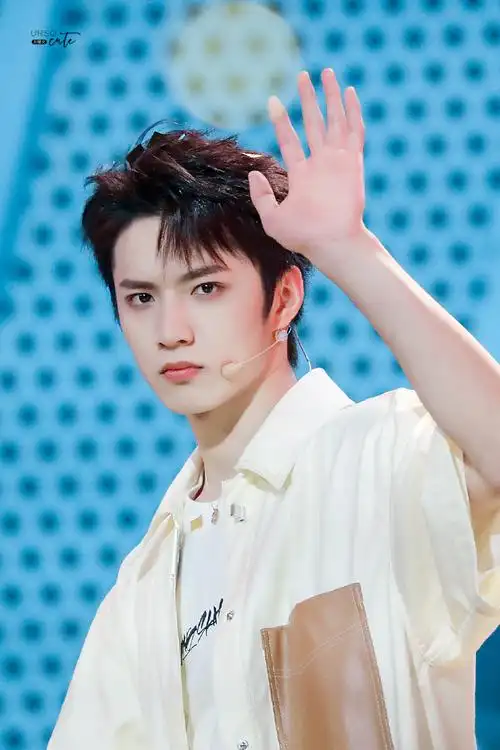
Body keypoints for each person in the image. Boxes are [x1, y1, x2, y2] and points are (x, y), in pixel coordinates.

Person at [47, 67, 500, 750]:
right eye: (140, 298)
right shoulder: (144, 582)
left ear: (283, 298)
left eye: (205, 288)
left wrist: (347, 248)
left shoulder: (381, 460)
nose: (170, 330)